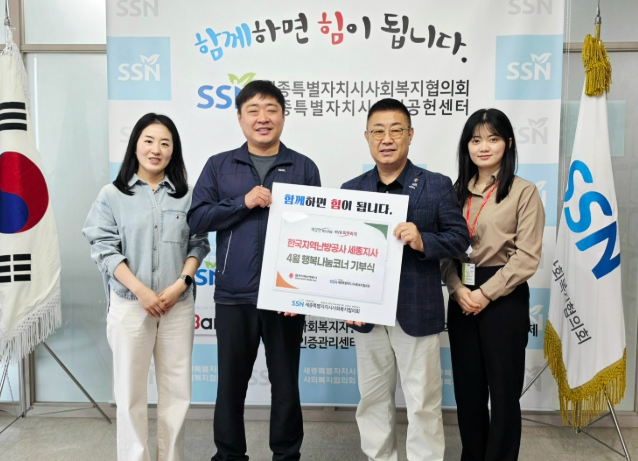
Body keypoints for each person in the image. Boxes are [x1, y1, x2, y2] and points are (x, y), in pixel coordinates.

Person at [187, 80, 321, 461]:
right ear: (240, 118)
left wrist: (301, 292)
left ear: (283, 116)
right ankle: (229, 455)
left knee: (286, 386)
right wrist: (242, 202)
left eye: (271, 109)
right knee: (230, 386)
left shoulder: (303, 167)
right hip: (234, 295)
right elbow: (197, 218)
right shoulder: (219, 165)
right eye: (253, 110)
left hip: (285, 297)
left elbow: (315, 234)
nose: (263, 118)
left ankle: (286, 455)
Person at [342, 98, 469, 461]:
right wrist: (346, 303)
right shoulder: (351, 190)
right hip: (367, 314)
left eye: (396, 130)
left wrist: (423, 239)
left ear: (410, 135)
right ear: (367, 137)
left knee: (423, 402)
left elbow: (460, 239)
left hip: (416, 310)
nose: (387, 138)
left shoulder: (436, 185)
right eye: (378, 131)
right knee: (372, 400)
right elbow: (343, 253)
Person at [82, 113, 210, 461]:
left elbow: (199, 244)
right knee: (130, 395)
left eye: (165, 143)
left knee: (177, 394)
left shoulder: (187, 197)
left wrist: (180, 285)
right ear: (135, 145)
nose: (156, 149)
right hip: (129, 304)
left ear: (173, 151)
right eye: (149, 141)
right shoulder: (111, 195)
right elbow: (103, 248)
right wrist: (141, 291)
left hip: (176, 306)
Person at [440, 108, 545, 461]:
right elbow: (445, 252)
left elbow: (526, 257)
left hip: (503, 296)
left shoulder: (523, 192)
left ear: (508, 143)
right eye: (476, 139)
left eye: (493, 138)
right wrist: (457, 289)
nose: (483, 147)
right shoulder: (455, 192)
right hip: (461, 294)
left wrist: (485, 293)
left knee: (503, 394)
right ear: (466, 146)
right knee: (468, 392)